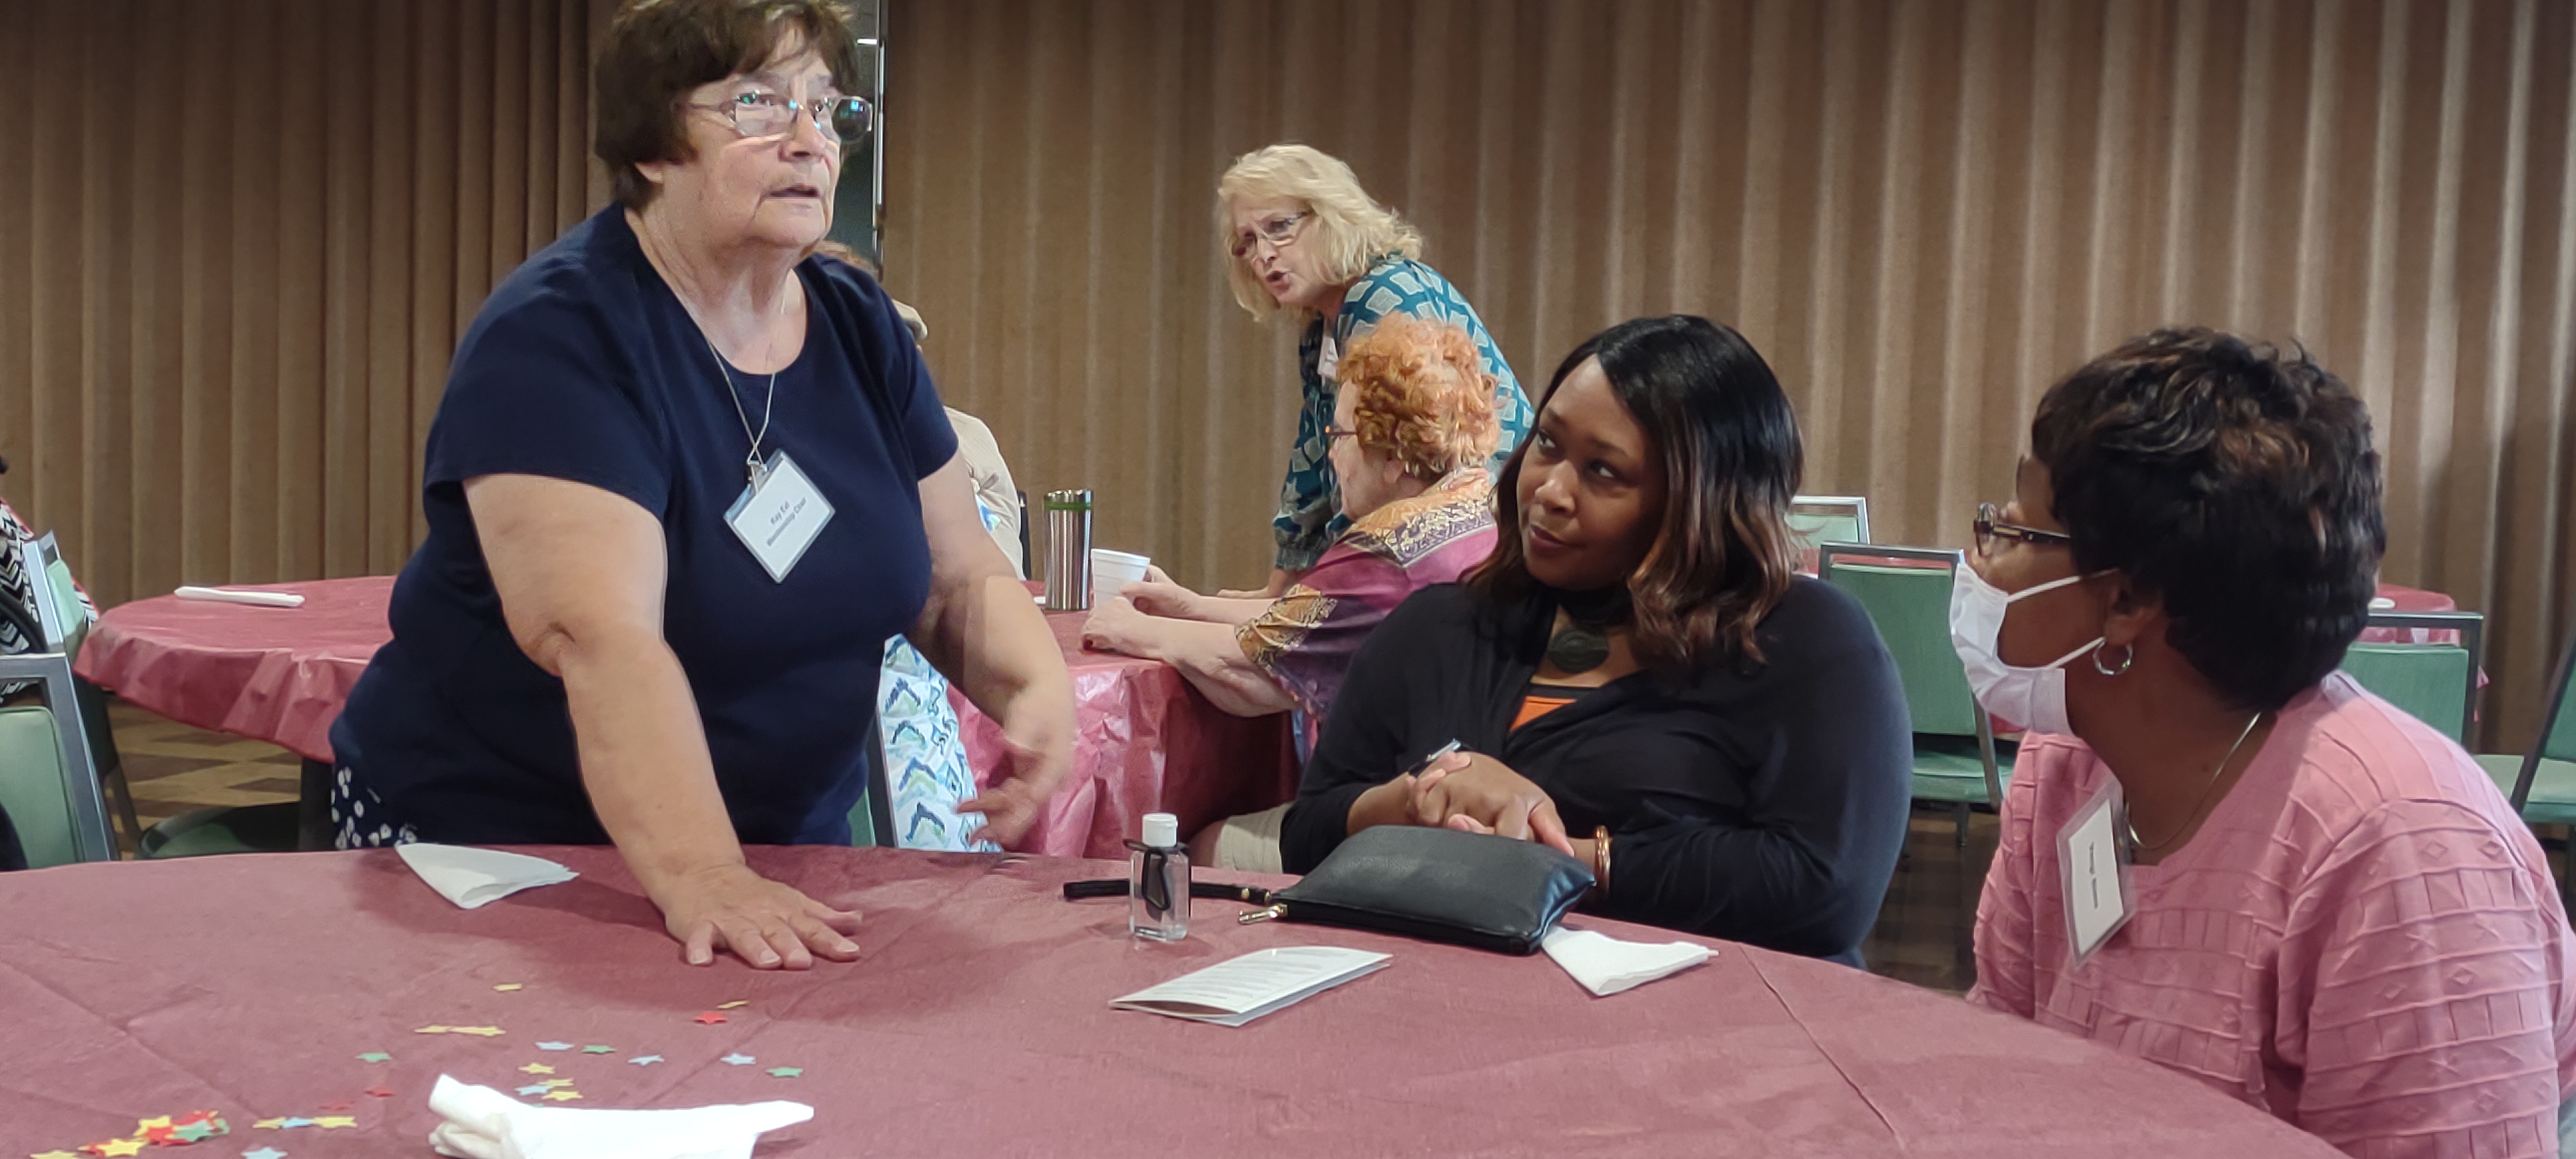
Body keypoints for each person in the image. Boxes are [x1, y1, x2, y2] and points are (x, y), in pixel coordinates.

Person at [329, 0, 1074, 970]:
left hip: (781, 852)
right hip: (509, 855)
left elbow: (957, 573)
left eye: (829, 109)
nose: (809, 140)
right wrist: (703, 872)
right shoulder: (560, 337)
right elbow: (604, 643)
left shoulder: (859, 324)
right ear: (652, 144)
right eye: (759, 104)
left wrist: (1034, 688)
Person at [1963, 328, 2576, 1154]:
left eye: (2011, 533)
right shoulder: (2066, 764)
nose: (1978, 563)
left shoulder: (2402, 850)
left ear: (2127, 601)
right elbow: (1995, 1070)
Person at [1279, 316, 1913, 965]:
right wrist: (1419, 797)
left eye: (1604, 471)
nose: (1550, 491)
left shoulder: (1804, 641)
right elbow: (1305, 837)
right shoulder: (1436, 627)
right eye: (1547, 443)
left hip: (1719, 1015)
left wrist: (1548, 857)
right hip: (1447, 1001)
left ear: (1700, 500)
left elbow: (1826, 890)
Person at [1081, 316, 1503, 871]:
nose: (1332, 455)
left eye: (1341, 436)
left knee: (1198, 847)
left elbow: (1252, 669)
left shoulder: (1386, 549)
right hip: (1463, 792)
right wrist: (1192, 605)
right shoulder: (1472, 508)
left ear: (1395, 455)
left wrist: (1136, 630)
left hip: (1398, 819)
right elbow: (1316, 617)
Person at [1217, 144, 1532, 598]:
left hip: (1481, 564)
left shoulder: (1384, 296)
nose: (1262, 255)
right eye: (1247, 242)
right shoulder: (1321, 326)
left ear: (1333, 215)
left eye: (1279, 228)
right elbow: (1314, 465)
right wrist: (1278, 592)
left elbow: (1398, 471)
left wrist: (1304, 602)